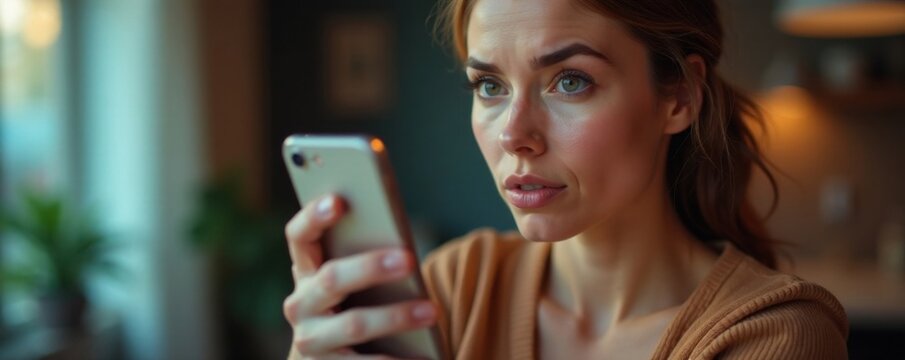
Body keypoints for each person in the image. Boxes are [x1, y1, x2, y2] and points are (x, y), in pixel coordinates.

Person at [282, 0, 849, 358]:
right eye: (490, 86)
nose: (513, 134)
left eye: (570, 81)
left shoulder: (775, 336)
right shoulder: (460, 285)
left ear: (679, 96)